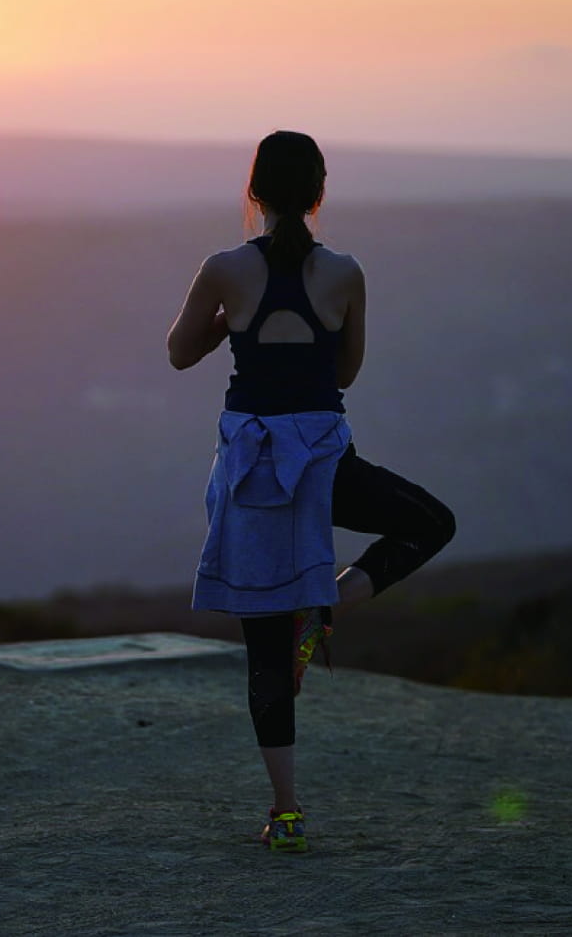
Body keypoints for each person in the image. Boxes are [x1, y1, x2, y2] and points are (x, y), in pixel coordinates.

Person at [166, 130, 456, 854]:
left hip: (253, 474)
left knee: (263, 647)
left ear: (254, 191)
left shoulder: (225, 268)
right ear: (320, 192)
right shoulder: (347, 272)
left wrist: (233, 318)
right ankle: (332, 600)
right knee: (429, 524)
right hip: (325, 465)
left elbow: (178, 352)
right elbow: (346, 374)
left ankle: (287, 813)